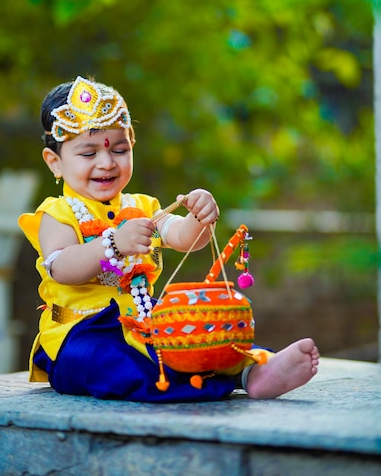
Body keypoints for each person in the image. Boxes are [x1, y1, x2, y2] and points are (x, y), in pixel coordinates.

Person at [19, 75, 319, 403]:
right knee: (115, 363)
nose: (106, 162)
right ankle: (211, 383)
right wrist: (112, 244)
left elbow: (182, 237)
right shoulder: (57, 212)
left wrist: (198, 217)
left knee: (204, 336)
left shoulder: (142, 207)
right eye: (88, 154)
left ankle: (256, 369)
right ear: (55, 162)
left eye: (119, 149)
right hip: (80, 334)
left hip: (147, 320)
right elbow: (61, 267)